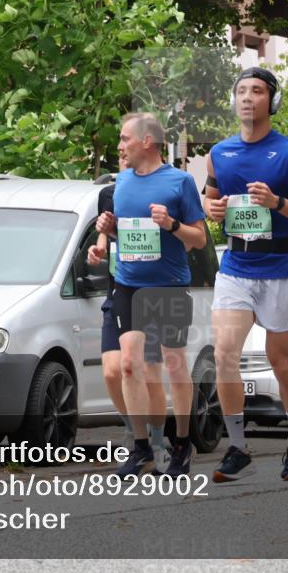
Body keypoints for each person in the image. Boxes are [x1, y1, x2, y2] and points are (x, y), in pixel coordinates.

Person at [204, 67, 288, 482]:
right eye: (241, 90)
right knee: (224, 354)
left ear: (271, 101)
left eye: (257, 91)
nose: (248, 98)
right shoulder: (219, 152)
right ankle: (237, 446)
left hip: (280, 267)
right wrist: (212, 209)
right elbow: (209, 197)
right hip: (236, 265)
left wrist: (277, 203)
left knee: (282, 361)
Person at [96, 112, 207, 478]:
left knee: (174, 365)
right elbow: (125, 236)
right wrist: (109, 230)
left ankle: (182, 444)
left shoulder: (179, 183)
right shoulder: (122, 183)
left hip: (168, 286)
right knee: (129, 363)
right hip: (128, 284)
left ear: (147, 141)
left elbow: (199, 239)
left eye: (125, 138)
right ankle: (141, 447)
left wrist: (172, 225)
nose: (121, 145)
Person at [87, 157, 170, 464]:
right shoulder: (108, 194)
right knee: (112, 371)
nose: (123, 156)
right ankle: (135, 431)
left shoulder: (161, 191)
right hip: (117, 290)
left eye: (127, 150)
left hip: (151, 292)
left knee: (147, 372)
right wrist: (97, 250)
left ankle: (157, 442)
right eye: (120, 152)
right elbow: (105, 237)